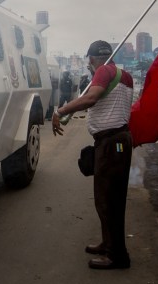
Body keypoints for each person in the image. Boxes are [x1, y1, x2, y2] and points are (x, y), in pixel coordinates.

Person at [51, 40, 134, 270]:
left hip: (112, 144)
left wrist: (61, 110)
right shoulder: (124, 75)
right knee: (107, 198)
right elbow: (100, 103)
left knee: (109, 201)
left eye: (89, 60)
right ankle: (108, 244)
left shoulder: (104, 71)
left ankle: (117, 256)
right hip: (117, 142)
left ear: (91, 58)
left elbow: (91, 98)